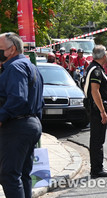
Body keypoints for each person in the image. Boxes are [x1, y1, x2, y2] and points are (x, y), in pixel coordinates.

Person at [0, 32, 44, 198]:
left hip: (17, 126)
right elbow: (40, 101)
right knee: (23, 174)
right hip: (30, 125)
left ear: (11, 50)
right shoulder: (30, 67)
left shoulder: (14, 67)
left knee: (9, 175)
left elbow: (18, 98)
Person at [84, 45, 107, 178]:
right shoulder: (96, 70)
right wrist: (102, 111)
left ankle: (97, 167)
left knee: (97, 139)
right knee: (97, 140)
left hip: (94, 108)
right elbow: (94, 91)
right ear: (103, 56)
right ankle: (97, 169)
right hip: (96, 110)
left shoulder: (94, 68)